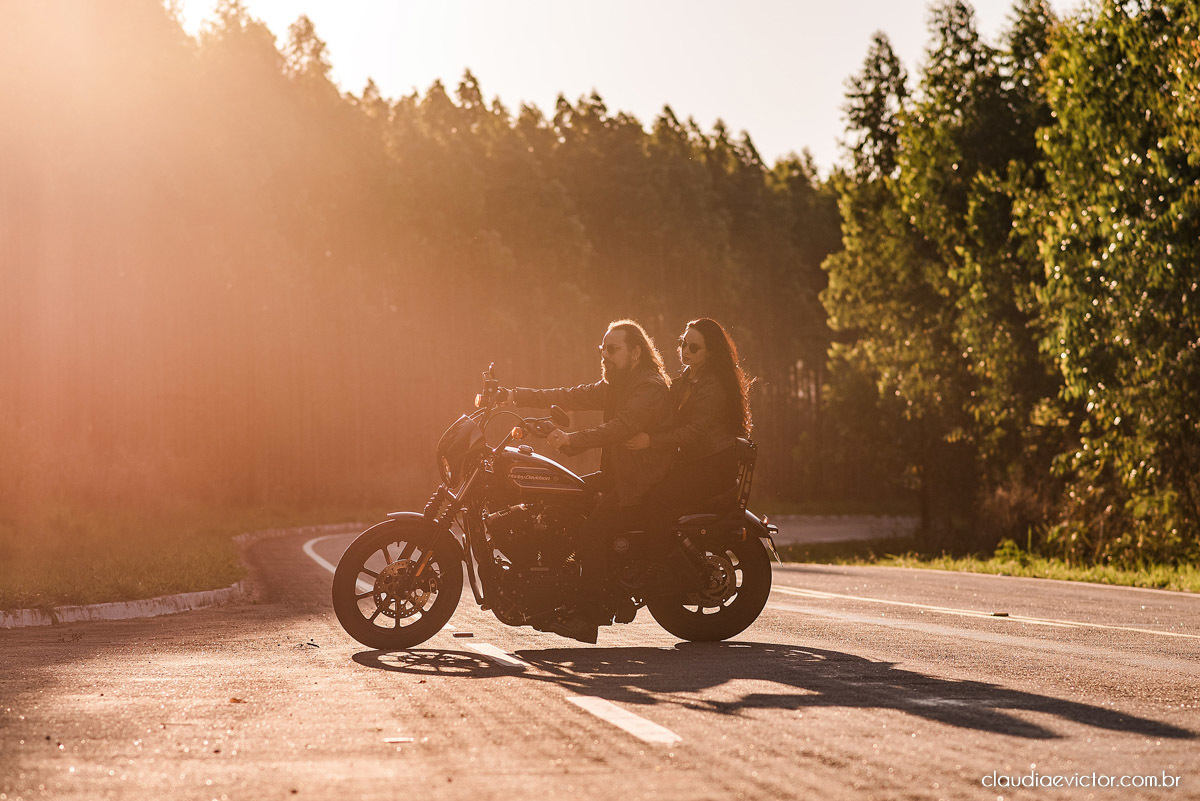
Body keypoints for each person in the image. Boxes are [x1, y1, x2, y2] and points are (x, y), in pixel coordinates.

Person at [501, 319, 673, 641]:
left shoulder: (649, 387)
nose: (605, 355)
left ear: (635, 353)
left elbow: (622, 426)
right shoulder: (616, 385)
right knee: (562, 501)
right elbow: (568, 396)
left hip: (640, 484)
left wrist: (571, 439)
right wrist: (511, 395)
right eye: (602, 349)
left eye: (612, 349)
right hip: (618, 478)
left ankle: (589, 616)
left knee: (590, 534)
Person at [625, 318, 753, 546]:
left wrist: (650, 441)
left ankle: (658, 566)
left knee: (658, 500)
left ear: (710, 352)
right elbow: (660, 401)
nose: (686, 351)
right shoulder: (687, 378)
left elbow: (696, 431)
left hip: (712, 466)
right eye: (684, 344)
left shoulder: (713, 384)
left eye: (694, 347)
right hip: (694, 462)